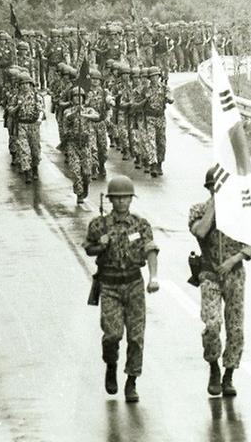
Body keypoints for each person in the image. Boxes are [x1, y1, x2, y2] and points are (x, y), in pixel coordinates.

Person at [83, 176, 160, 403]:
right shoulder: (99, 225)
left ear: (131, 199)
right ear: (111, 200)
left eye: (125, 198)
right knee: (112, 334)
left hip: (134, 283)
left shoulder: (140, 224)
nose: (121, 202)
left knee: (136, 337)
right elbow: (89, 248)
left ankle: (131, 381)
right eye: (117, 198)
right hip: (110, 285)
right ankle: (111, 364)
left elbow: (150, 249)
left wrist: (154, 277)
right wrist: (101, 244)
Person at [189, 167, 251, 397]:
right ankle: (213, 367)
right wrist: (215, 206)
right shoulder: (198, 210)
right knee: (211, 324)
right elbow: (200, 231)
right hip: (209, 273)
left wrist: (235, 259)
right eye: (213, 188)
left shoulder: (240, 211)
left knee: (235, 327)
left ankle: (229, 374)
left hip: (234, 273)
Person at [62, 87, 100, 203]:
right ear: (72, 99)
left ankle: (86, 186)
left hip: (86, 144)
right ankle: (79, 193)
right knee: (75, 170)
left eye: (80, 97)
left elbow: (96, 116)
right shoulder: (68, 111)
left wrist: (84, 115)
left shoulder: (89, 110)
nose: (78, 99)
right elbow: (68, 118)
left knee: (87, 172)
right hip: (73, 144)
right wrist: (76, 113)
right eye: (75, 97)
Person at [9, 72, 44, 183]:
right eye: (22, 84)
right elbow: (10, 111)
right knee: (24, 149)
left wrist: (39, 119)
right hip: (21, 125)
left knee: (35, 150)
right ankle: (27, 172)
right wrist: (18, 106)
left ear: (30, 84)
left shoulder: (36, 97)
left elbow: (41, 110)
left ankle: (35, 168)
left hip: (33, 125)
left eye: (27, 84)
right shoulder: (15, 97)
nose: (24, 86)